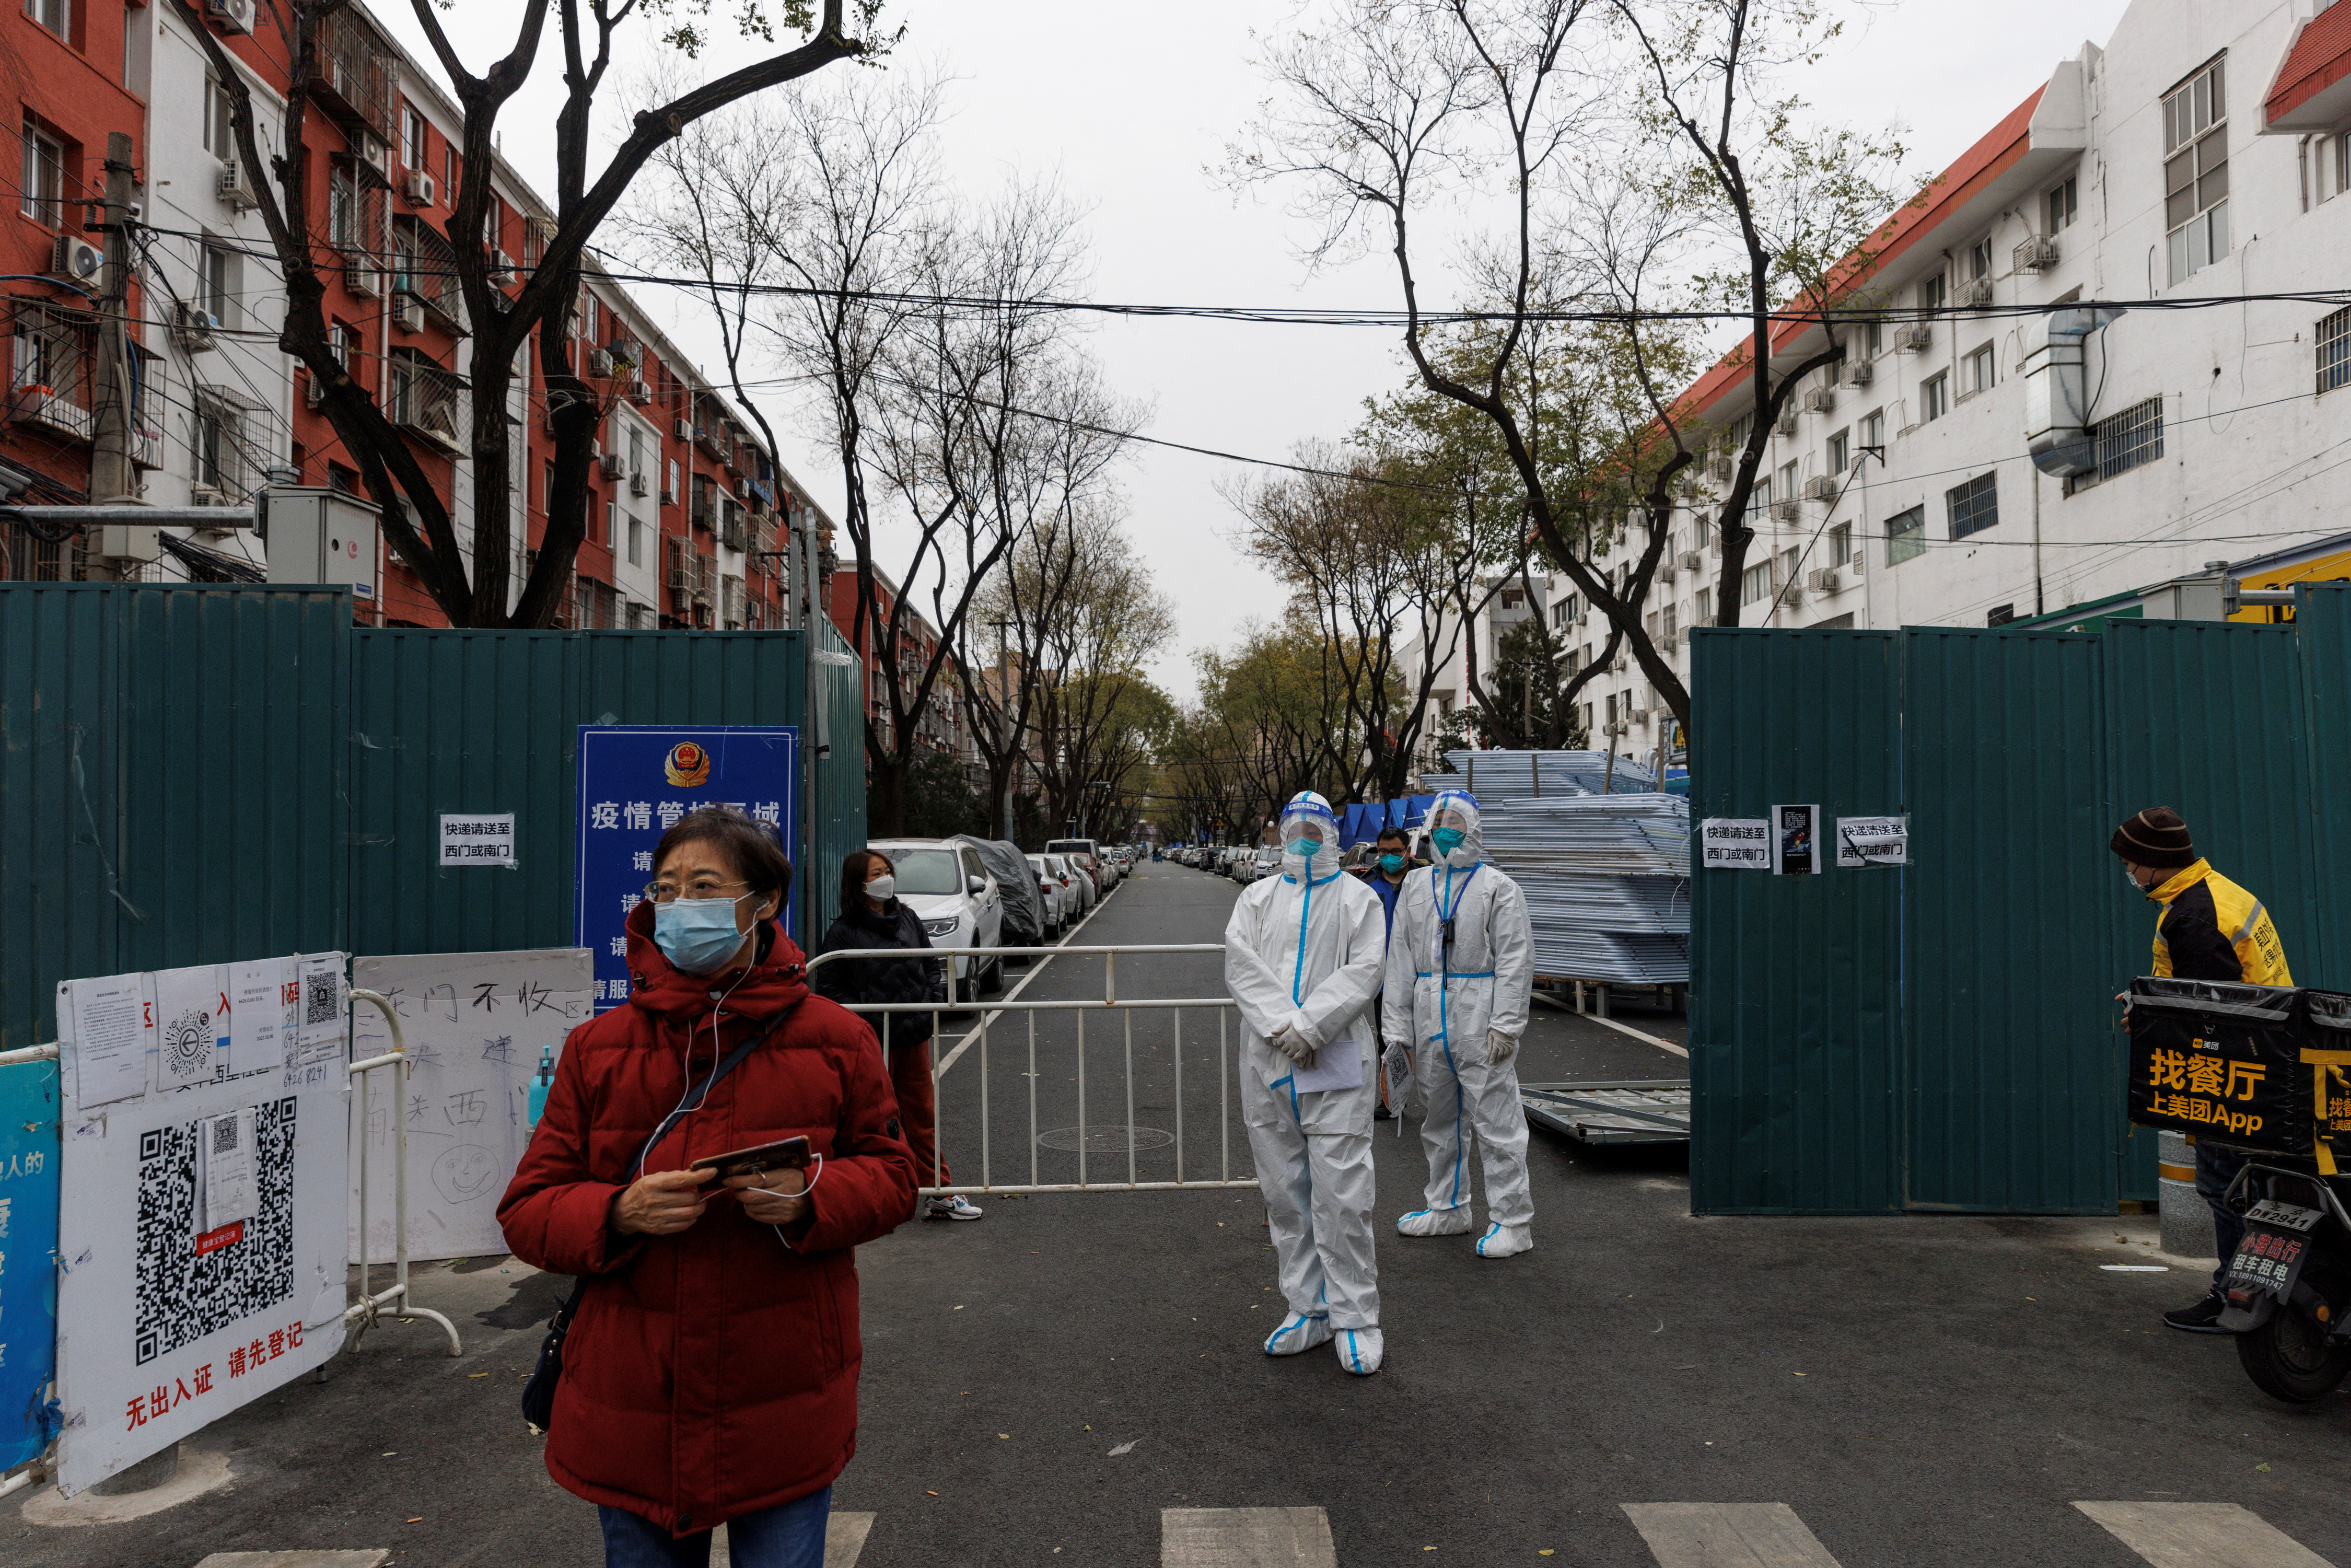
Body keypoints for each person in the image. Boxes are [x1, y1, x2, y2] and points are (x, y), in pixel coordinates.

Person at [499, 806, 917, 1568]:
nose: (680, 905)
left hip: (784, 1395)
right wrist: (616, 1211)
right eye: (666, 887)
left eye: (703, 886)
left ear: (764, 904)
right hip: (633, 1404)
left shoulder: (837, 1039)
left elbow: (895, 1178)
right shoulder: (596, 1049)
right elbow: (528, 1210)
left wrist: (811, 1194)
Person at [1224, 790, 1389, 1375]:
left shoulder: (1359, 899)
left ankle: (1356, 1316)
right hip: (1269, 1063)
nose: (1302, 838)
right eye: (1294, 828)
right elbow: (1240, 963)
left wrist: (1312, 1026)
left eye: (1314, 830)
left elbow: (1367, 969)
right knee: (1284, 1192)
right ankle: (1308, 1307)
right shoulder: (1257, 897)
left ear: (1332, 835)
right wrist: (1282, 1026)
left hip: (1336, 1063)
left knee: (1342, 1194)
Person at [2112, 806, 2293, 1334]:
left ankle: (2237, 1299)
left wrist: (2151, 1024)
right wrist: (2148, 1003)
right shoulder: (2220, 892)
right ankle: (2256, 1296)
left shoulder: (2192, 916)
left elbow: (2210, 1017)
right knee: (2245, 1186)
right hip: (2268, 1060)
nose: (2127, 871)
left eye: (2130, 861)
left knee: (2227, 1188)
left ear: (2154, 862)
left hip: (2236, 1078)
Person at [1383, 790, 1538, 1258]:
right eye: (1440, 820)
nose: (1446, 828)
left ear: (1473, 828)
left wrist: (1506, 1024)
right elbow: (1400, 959)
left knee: (1497, 1122)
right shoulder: (1416, 885)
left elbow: (1516, 958)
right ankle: (1448, 1206)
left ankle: (1514, 1221)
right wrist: (1397, 1031)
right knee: (1441, 1120)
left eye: (1456, 821)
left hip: (1479, 1017)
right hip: (1431, 1016)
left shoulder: (1498, 887)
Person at [811, 849, 983, 1222]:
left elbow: (929, 965)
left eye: (888, 870)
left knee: (922, 1116)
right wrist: (866, 1022)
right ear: (859, 883)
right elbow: (831, 988)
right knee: (870, 1119)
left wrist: (930, 1002)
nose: (886, 877)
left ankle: (939, 1191)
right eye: (877, 872)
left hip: (913, 1035)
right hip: (872, 1041)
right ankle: (868, 1195)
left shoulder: (908, 917)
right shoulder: (843, 931)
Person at [1354, 827, 1419, 1120]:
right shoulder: (1365, 884)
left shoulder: (1424, 880)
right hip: (1383, 978)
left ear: (1407, 850)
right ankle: (1394, 1100)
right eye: (1383, 852)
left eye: (1395, 852)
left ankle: (1442, 1099)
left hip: (1422, 974)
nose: (1389, 857)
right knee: (1389, 1040)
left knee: (1430, 1039)